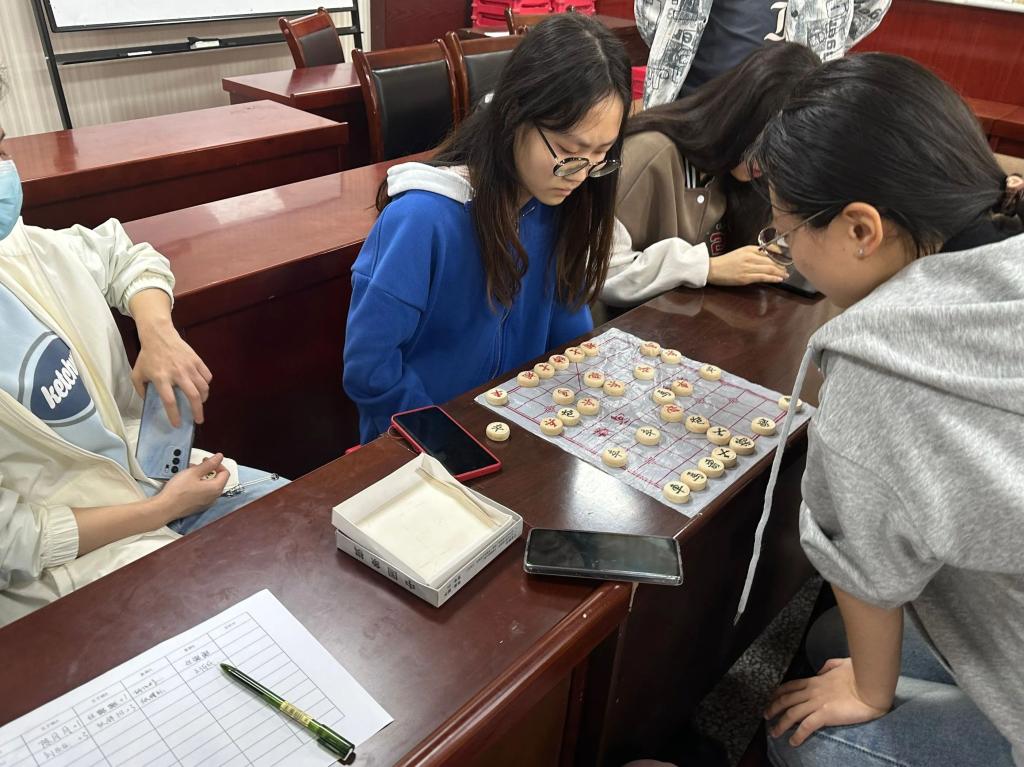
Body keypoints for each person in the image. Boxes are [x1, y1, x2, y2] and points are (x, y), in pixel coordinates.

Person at [729, 53, 1023, 765]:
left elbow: (863, 565)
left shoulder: (879, 362)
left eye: (787, 233)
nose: (790, 254)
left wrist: (870, 690)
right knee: (833, 637)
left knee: (804, 739)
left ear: (861, 229)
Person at [0, 92, 287, 626]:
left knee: (297, 525)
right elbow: (16, 543)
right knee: (232, 626)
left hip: (150, 474)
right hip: (73, 560)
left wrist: (158, 334)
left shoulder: (20, 249)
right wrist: (162, 511)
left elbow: (123, 255)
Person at [343, 14, 632, 442]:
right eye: (569, 151)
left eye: (600, 154)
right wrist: (447, 444)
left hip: (517, 433)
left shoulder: (557, 205)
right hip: (419, 447)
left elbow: (569, 340)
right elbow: (370, 369)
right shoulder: (423, 220)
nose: (580, 174)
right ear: (515, 115)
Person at [600, 42, 817, 306]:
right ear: (741, 118)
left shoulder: (745, 169)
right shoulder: (651, 152)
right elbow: (604, 273)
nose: (770, 166)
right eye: (765, 145)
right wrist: (706, 267)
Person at [635, 0, 890, 108]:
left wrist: (823, 36)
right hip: (691, 104)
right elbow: (651, 11)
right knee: (675, 197)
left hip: (792, 112)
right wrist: (675, 43)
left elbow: (869, 8)